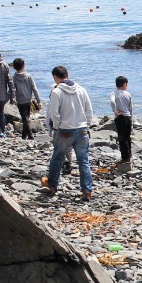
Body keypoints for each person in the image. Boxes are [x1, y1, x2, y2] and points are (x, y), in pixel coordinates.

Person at [42, 65, 95, 200]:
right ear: (68, 75)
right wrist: (86, 124)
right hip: (82, 129)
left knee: (57, 158)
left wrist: (58, 126)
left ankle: (52, 185)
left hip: (65, 129)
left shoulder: (57, 91)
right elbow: (89, 110)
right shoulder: (81, 89)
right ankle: (87, 191)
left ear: (55, 77)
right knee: (83, 161)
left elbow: (54, 113)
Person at [12, 58, 39, 139]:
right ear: (24, 66)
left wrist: (12, 99)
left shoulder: (14, 77)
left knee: (25, 118)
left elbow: (13, 89)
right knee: (26, 117)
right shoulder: (28, 76)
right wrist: (38, 100)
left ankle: (26, 135)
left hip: (20, 101)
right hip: (28, 100)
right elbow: (34, 88)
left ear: (13, 67)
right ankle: (28, 135)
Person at [110, 75, 134, 168]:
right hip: (128, 116)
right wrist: (131, 117)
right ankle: (129, 155)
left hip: (120, 117)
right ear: (124, 84)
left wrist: (115, 111)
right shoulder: (128, 94)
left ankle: (125, 157)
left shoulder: (114, 93)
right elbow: (131, 107)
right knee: (127, 137)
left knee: (122, 138)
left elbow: (112, 102)